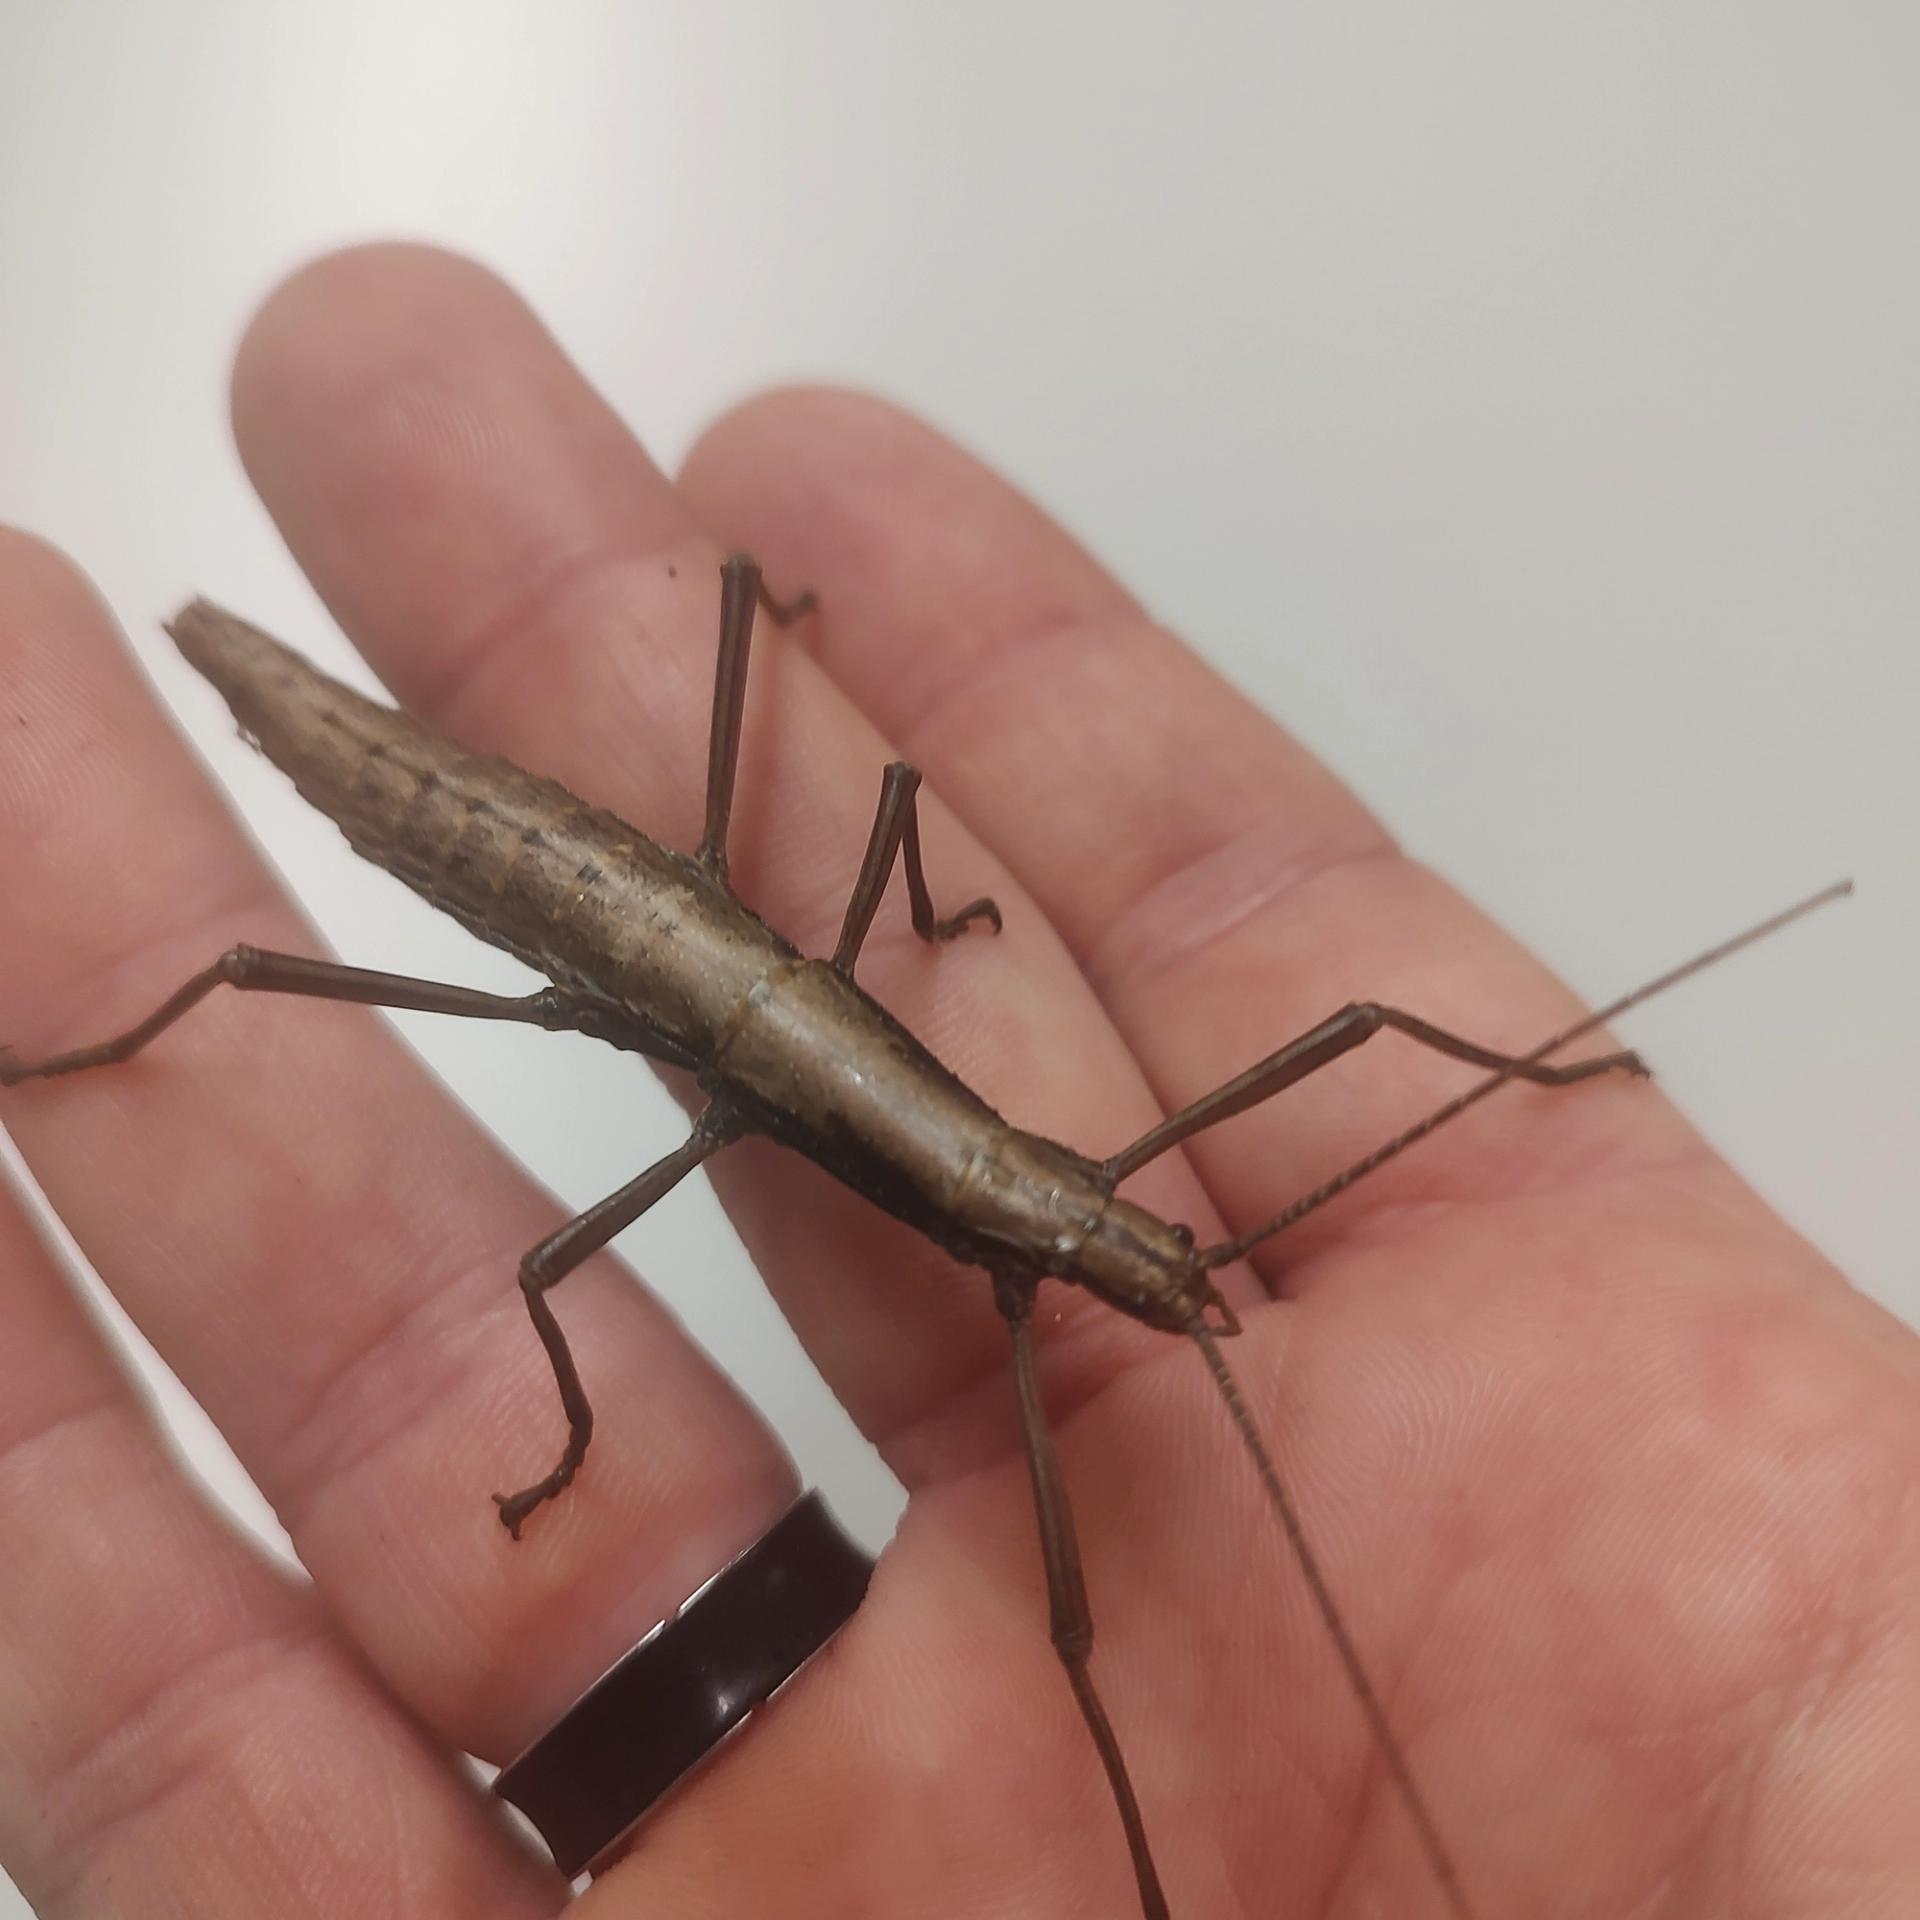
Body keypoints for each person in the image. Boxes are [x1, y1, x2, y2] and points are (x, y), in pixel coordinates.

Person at [0, 245, 1912, 1918]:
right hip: (551, 896)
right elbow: (548, 1274)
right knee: (313, 1026)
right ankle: (101, 1013)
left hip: (686, 943)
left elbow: (1298, 1011)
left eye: (1109, 1247)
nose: (1148, 1266)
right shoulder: (1009, 1272)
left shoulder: (1067, 1238)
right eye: (1108, 1245)